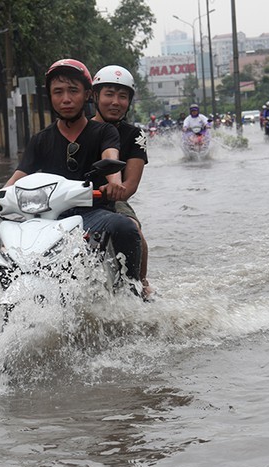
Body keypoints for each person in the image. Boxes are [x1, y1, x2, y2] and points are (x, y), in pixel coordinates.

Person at [0, 59, 143, 288]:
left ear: (87, 95)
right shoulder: (40, 140)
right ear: (51, 97)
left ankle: (132, 292)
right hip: (46, 217)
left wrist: (114, 184)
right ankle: (14, 289)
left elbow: (110, 159)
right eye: (58, 92)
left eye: (73, 91)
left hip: (92, 214)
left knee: (125, 227)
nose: (66, 98)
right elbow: (18, 178)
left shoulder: (105, 132)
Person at [90, 64, 153, 298]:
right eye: (109, 94)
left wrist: (114, 190)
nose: (115, 102)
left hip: (111, 201)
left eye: (122, 96)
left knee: (133, 229)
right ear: (95, 96)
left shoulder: (135, 136)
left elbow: (129, 186)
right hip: (72, 200)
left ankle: (140, 284)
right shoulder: (80, 130)